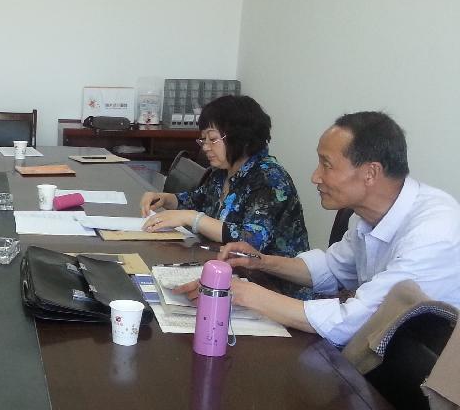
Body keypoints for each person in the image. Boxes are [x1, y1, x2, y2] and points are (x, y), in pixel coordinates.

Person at [183, 111, 460, 347]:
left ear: (370, 173)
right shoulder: (370, 216)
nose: (315, 176)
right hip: (382, 354)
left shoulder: (433, 232)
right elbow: (331, 268)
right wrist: (260, 261)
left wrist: (242, 293)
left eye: (326, 165)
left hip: (415, 376)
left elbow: (354, 320)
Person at [140, 94, 310, 262]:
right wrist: (165, 199)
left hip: (268, 276)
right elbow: (198, 200)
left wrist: (192, 218)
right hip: (224, 262)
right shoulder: (223, 171)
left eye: (213, 139)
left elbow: (252, 240)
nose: (205, 147)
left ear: (241, 137)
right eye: (203, 140)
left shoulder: (270, 178)